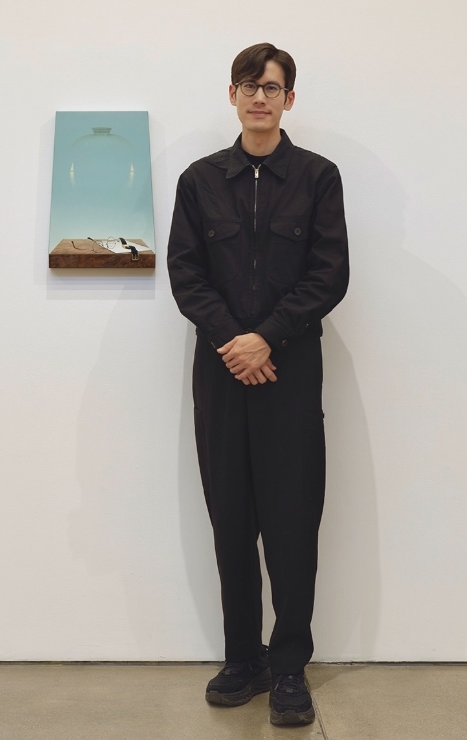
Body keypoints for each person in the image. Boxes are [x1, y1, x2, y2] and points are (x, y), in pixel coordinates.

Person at [167, 42, 349, 726]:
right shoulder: (198, 181)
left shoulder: (318, 177)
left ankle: (289, 666)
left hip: (290, 371)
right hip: (221, 371)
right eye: (249, 85)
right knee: (231, 519)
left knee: (292, 520)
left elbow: (329, 273)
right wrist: (234, 342)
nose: (259, 97)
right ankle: (242, 658)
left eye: (271, 87)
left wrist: (266, 336)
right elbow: (186, 274)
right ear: (232, 95)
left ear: (289, 99)